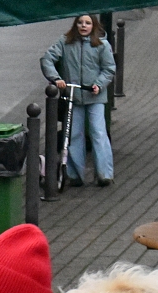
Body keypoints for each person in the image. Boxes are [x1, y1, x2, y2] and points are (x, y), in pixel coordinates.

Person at [40, 13, 116, 187]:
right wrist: (56, 78)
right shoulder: (65, 42)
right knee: (73, 134)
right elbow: (47, 59)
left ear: (93, 26)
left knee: (98, 132)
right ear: (75, 25)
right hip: (73, 97)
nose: (83, 26)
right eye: (80, 22)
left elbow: (109, 69)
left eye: (87, 23)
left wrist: (99, 85)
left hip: (94, 97)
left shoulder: (102, 45)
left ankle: (104, 173)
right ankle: (75, 174)